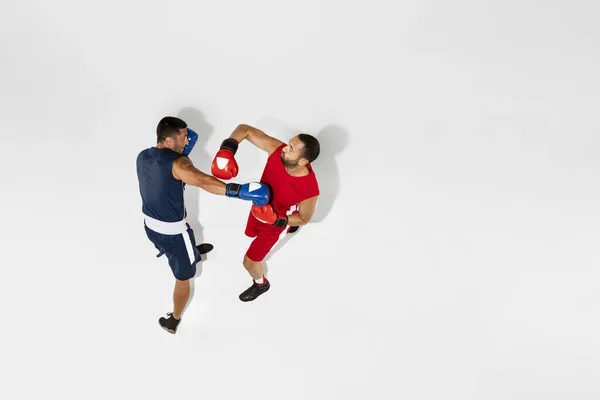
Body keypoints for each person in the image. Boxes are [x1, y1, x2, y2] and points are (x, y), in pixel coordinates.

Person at [136, 116, 271, 333]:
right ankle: (174, 320)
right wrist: (238, 191)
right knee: (183, 277)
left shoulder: (143, 156)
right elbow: (202, 181)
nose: (188, 139)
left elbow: (166, 172)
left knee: (184, 236)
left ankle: (191, 252)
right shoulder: (179, 163)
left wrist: (181, 150)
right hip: (174, 235)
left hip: (150, 226)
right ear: (169, 141)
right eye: (183, 136)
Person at [211, 123, 320, 302]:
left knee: (249, 262)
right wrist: (227, 150)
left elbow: (304, 217)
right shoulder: (277, 151)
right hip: (259, 207)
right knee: (250, 232)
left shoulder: (309, 189)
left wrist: (277, 220)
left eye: (291, 149)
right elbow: (244, 129)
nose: (285, 148)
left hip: (276, 224)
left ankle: (261, 284)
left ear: (302, 161)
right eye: (288, 143)